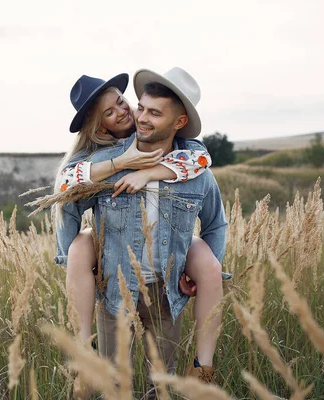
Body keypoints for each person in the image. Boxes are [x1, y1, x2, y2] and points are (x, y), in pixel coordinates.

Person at [55, 68, 228, 393]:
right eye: (142, 108)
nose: (137, 116)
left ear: (178, 121)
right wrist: (77, 260)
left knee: (159, 386)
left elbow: (216, 222)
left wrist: (196, 273)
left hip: (166, 294)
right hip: (116, 291)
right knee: (114, 385)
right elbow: (65, 198)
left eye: (153, 112)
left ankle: (203, 368)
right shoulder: (104, 163)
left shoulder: (194, 166)